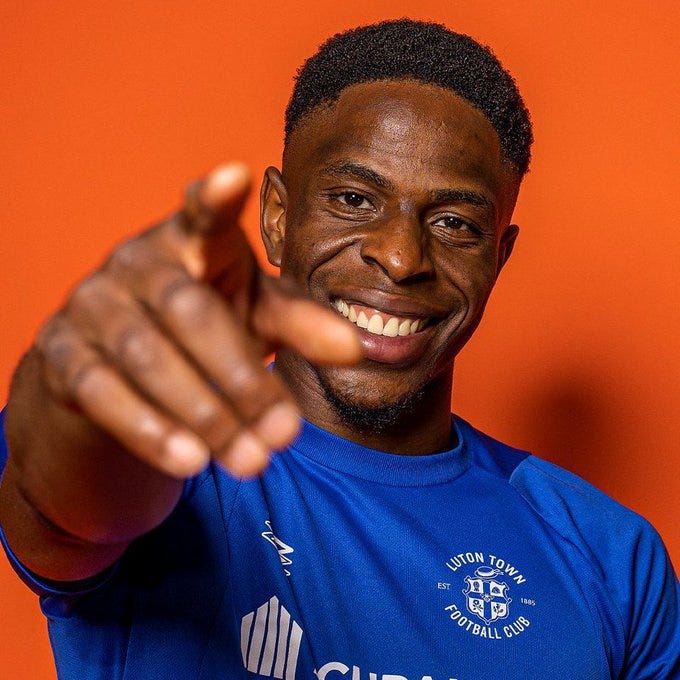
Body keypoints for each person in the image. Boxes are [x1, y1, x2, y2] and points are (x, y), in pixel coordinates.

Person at [0, 18, 677, 680]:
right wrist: (82, 379)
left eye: (454, 223)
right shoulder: (167, 463)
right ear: (277, 217)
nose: (400, 256)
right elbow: (60, 499)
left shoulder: (612, 561)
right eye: (354, 199)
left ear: (499, 256)